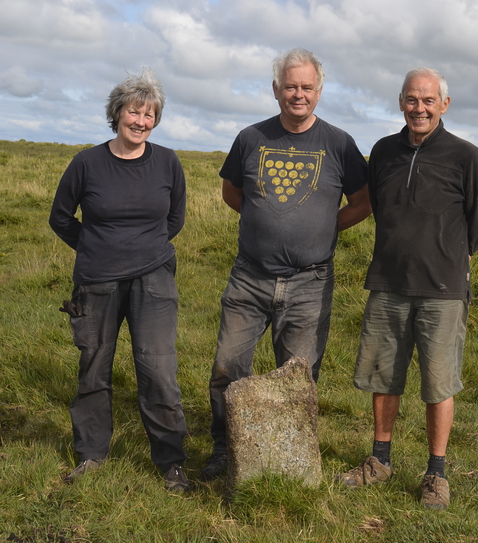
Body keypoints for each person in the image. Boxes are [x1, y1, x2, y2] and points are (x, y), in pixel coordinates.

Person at [202, 48, 371, 480]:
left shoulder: (339, 143)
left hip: (310, 282)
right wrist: (268, 223)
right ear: (276, 90)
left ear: (319, 91)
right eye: (291, 86)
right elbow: (232, 193)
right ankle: (225, 447)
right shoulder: (250, 138)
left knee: (297, 376)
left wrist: (323, 229)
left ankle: (290, 457)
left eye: (307, 87)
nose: (299, 94)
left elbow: (363, 202)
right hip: (250, 277)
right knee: (228, 366)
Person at [338, 67, 478, 509]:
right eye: (411, 100)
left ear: (443, 105)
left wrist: (452, 258)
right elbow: (378, 207)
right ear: (400, 102)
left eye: (428, 101)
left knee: (437, 383)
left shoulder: (466, 155)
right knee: (383, 376)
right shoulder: (383, 151)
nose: (419, 108)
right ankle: (380, 461)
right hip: (388, 282)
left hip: (442, 289)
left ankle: (436, 474)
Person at [49, 69, 191, 492]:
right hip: (97, 282)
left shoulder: (167, 162)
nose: (141, 122)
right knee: (94, 369)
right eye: (134, 112)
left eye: (149, 115)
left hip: (154, 281)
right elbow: (60, 217)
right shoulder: (86, 163)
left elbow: (176, 218)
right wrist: (94, 246)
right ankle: (91, 456)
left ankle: (172, 463)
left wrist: (145, 251)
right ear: (117, 113)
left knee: (159, 370)